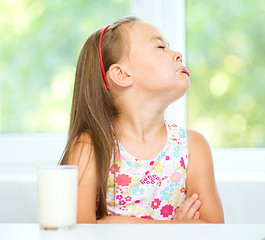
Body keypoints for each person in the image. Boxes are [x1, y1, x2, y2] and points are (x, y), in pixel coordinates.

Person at [60, 16, 224, 224]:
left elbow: (213, 229)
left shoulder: (192, 147)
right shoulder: (89, 148)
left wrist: (113, 222)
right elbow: (79, 231)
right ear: (122, 74)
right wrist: (175, 229)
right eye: (160, 47)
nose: (178, 54)